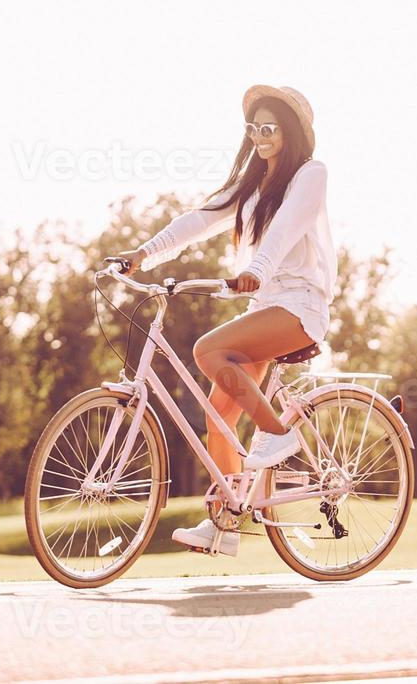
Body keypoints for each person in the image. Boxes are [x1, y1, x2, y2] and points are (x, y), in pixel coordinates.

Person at [117, 85, 334, 557]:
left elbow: (285, 228)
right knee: (219, 421)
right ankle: (225, 524)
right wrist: (144, 255)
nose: (259, 136)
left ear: (290, 132)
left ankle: (279, 435)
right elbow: (200, 218)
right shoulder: (252, 185)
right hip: (266, 308)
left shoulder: (310, 175)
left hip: (300, 306)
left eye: (269, 127)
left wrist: (255, 271)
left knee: (205, 350)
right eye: (252, 127)